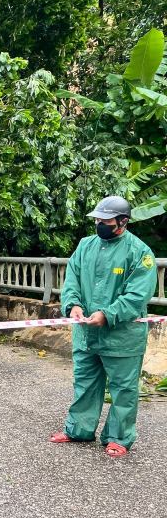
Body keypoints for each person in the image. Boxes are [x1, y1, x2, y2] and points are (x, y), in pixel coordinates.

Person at [50, 196, 157, 458]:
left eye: (105, 221)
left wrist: (107, 314)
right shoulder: (86, 246)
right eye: (97, 219)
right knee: (85, 383)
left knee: (123, 388)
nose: (99, 224)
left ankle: (119, 437)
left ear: (122, 222)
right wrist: (73, 305)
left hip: (122, 337)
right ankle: (79, 429)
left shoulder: (140, 252)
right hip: (86, 333)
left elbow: (137, 296)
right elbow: (72, 277)